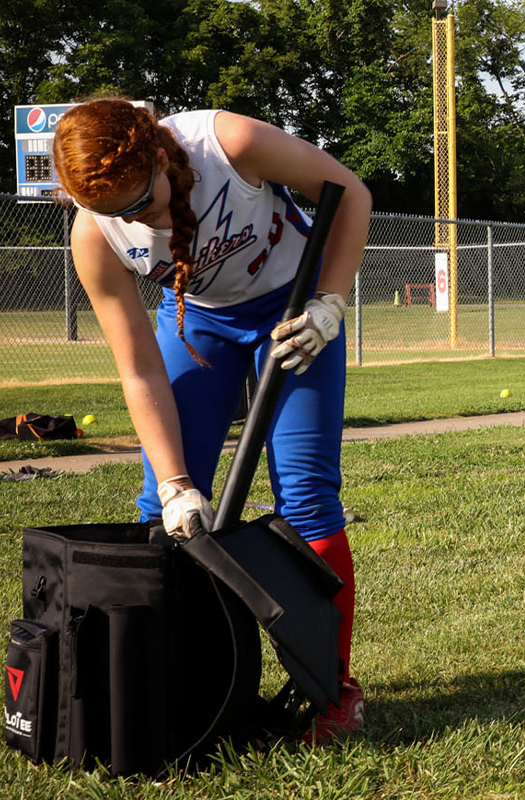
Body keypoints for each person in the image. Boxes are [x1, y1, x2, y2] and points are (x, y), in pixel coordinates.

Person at [54, 98, 372, 744]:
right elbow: (139, 369)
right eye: (115, 213)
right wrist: (174, 482)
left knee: (307, 499)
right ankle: (167, 676)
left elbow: (352, 194)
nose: (139, 221)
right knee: (163, 504)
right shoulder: (94, 234)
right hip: (199, 322)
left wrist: (330, 303)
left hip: (294, 308)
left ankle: (331, 686)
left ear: (161, 157)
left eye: (143, 201)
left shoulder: (229, 141)